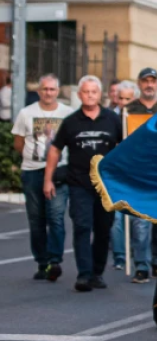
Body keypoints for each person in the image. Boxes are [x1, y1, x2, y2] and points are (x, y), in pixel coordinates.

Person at [44, 76, 123, 292]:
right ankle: (84, 275)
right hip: (79, 184)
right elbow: (55, 149)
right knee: (81, 227)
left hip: (106, 186)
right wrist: (48, 179)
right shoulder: (71, 122)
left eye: (93, 92)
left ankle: (97, 273)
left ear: (100, 95)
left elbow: (125, 146)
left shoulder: (112, 120)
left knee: (103, 229)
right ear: (80, 95)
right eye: (86, 92)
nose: (90, 95)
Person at [12, 74, 73, 282]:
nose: (48, 93)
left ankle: (55, 260)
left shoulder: (68, 114)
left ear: (58, 91)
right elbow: (18, 143)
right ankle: (42, 262)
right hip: (32, 172)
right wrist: (32, 161)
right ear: (39, 91)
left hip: (58, 173)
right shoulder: (26, 113)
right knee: (36, 220)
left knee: (56, 216)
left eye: (52, 89)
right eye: (45, 89)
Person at [128, 67, 157, 275]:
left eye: (152, 81)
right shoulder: (129, 110)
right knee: (140, 222)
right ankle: (141, 265)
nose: (149, 85)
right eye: (145, 81)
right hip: (138, 174)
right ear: (139, 84)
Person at [108, 80, 151, 280]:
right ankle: (119, 256)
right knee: (117, 219)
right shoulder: (110, 118)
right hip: (118, 175)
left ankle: (142, 264)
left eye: (128, 98)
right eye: (121, 98)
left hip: (140, 175)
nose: (124, 102)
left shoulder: (142, 119)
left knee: (140, 222)